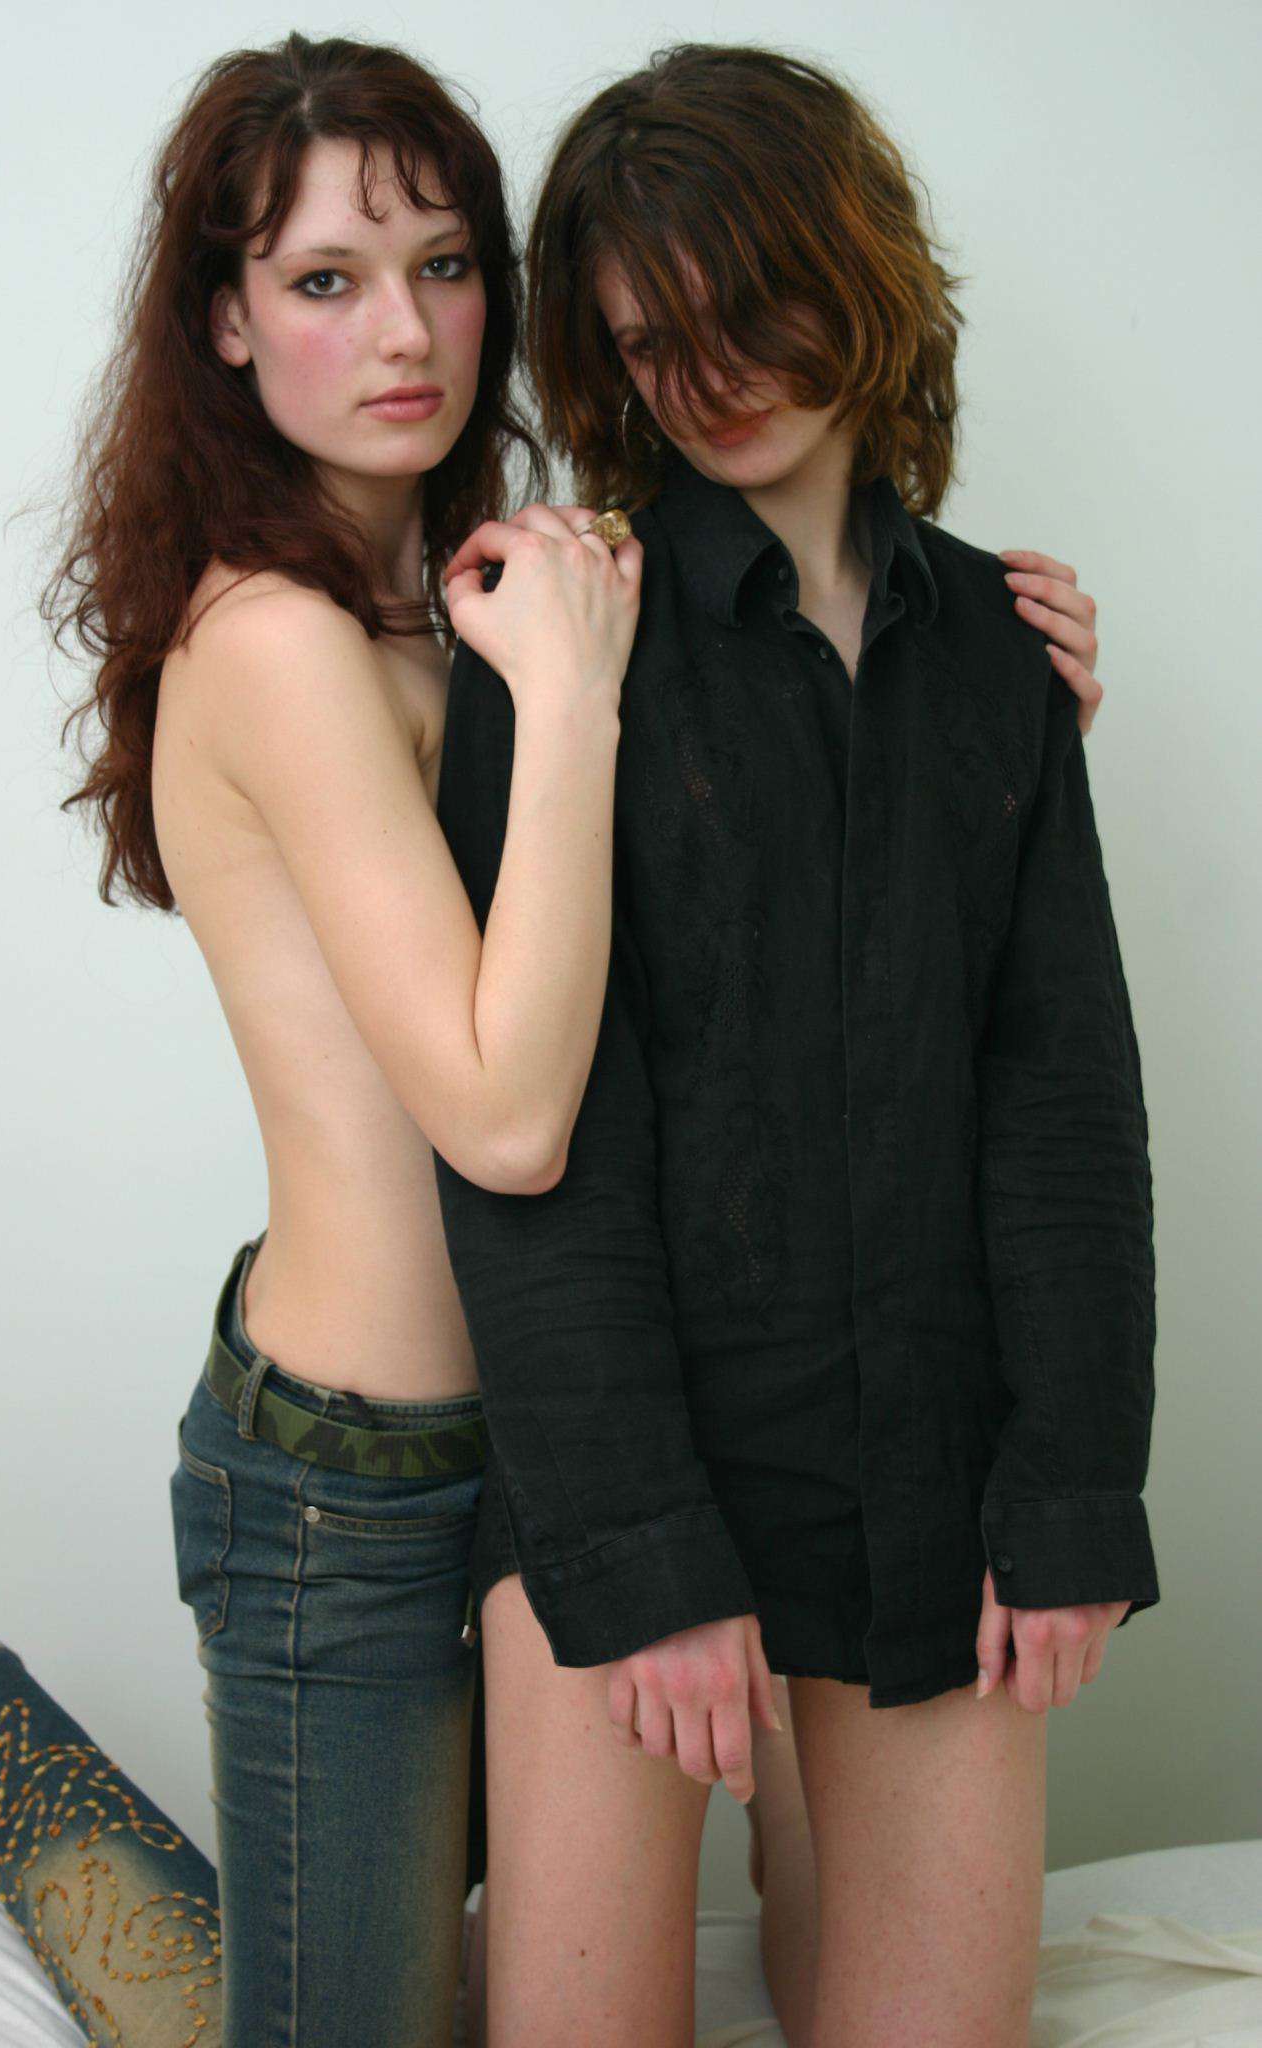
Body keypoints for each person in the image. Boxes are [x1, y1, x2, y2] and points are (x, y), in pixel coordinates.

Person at [0, 28, 1114, 2048]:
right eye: (324, 279)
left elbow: (789, 951)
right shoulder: (294, 642)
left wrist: (973, 717)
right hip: (362, 1474)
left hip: (576, 1428)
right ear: (223, 318)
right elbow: (511, 1118)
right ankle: (2, 1769)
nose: (404, 331)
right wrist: (571, 701)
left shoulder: (466, 598)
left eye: (445, 266)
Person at [429, 40, 1157, 2048]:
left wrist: (1069, 1496)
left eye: (748, 306)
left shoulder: (1002, 651)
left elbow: (1061, 1110)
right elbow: (539, 1153)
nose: (709, 375)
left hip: (926, 1481)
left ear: (858, 276)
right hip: (629, 1474)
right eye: (648, 339)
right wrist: (643, 1556)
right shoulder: (560, 640)